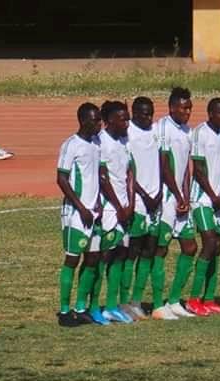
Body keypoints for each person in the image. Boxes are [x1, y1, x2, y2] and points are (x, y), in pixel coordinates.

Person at [55, 102, 103, 327]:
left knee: (92, 259)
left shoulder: (96, 144)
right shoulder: (70, 145)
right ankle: (64, 312)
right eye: (96, 120)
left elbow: (97, 177)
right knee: (72, 260)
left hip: (94, 212)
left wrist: (98, 205)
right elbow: (61, 179)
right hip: (75, 213)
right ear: (84, 121)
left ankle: (81, 307)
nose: (99, 124)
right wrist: (82, 208)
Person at [152, 87, 198, 320]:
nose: (188, 112)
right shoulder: (162, 128)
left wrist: (187, 196)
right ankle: (158, 305)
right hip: (166, 198)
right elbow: (164, 166)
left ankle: (174, 300)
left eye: (190, 108)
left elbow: (186, 169)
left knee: (190, 247)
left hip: (181, 199)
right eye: (183, 108)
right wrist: (178, 196)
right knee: (161, 249)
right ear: (171, 107)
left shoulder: (188, 132)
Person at [186, 98, 220, 316]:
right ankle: (193, 299)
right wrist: (213, 194)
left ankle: (209, 299)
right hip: (202, 198)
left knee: (217, 248)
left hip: (219, 200)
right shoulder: (199, 134)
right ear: (210, 114)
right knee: (208, 242)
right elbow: (197, 170)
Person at [93, 100, 135, 324]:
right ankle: (93, 307)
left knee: (120, 255)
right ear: (110, 120)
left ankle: (111, 306)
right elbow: (103, 178)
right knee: (104, 256)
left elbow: (128, 173)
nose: (127, 123)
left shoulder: (123, 141)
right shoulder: (101, 142)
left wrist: (130, 204)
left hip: (124, 208)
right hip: (110, 208)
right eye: (123, 119)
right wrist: (119, 206)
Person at [122, 96, 161, 321]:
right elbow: (128, 171)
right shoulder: (128, 135)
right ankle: (124, 301)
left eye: (150, 113)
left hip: (155, 202)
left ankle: (137, 301)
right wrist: (144, 195)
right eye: (143, 114)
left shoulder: (156, 131)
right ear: (134, 114)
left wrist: (157, 194)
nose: (148, 118)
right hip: (138, 201)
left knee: (148, 251)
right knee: (132, 252)